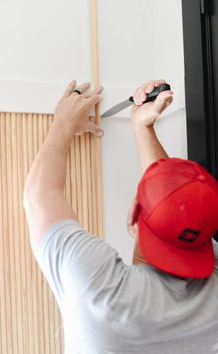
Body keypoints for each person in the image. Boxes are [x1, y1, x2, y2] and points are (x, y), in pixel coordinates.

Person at [23, 79, 218, 354]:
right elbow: (177, 204)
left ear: (132, 218)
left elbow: (39, 196)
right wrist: (142, 127)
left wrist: (63, 125)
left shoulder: (102, 291)